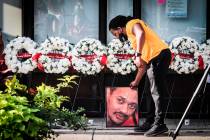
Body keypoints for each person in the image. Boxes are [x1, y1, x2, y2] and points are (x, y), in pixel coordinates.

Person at [109, 15, 171, 136]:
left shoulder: (131, 23)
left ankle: (160, 124)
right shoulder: (134, 40)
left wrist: (137, 55)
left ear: (119, 28)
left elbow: (141, 33)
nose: (116, 37)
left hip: (159, 56)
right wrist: (136, 81)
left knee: (157, 91)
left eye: (114, 33)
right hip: (154, 58)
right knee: (149, 91)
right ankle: (150, 122)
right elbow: (142, 64)